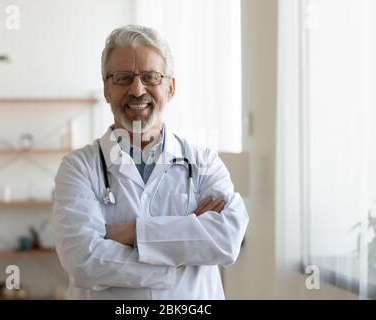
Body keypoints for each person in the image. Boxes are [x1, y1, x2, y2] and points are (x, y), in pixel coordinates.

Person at [52, 25, 249, 300]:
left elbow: (226, 240)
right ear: (107, 89)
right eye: (123, 78)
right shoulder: (78, 167)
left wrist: (133, 232)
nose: (137, 89)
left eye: (150, 77)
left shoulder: (203, 162)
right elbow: (82, 258)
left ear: (170, 87)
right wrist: (178, 260)